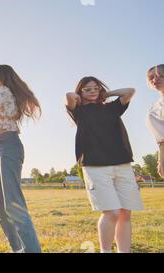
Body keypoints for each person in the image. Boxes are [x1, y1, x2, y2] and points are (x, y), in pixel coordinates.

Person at [65, 76, 144, 253]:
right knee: (112, 212)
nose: (92, 92)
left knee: (125, 213)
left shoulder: (112, 107)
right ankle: (105, 250)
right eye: (87, 89)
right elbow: (69, 96)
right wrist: (78, 95)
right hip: (95, 166)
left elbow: (130, 91)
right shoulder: (79, 111)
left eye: (95, 88)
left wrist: (106, 93)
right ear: (81, 92)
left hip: (122, 163)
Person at [0, 65, 42, 253]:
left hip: (8, 145)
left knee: (13, 205)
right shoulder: (4, 91)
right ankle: (18, 249)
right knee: (0, 208)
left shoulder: (2, 90)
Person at [146, 64, 164, 178]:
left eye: (160, 75)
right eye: (151, 77)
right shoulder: (155, 106)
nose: (155, 80)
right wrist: (160, 160)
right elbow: (161, 139)